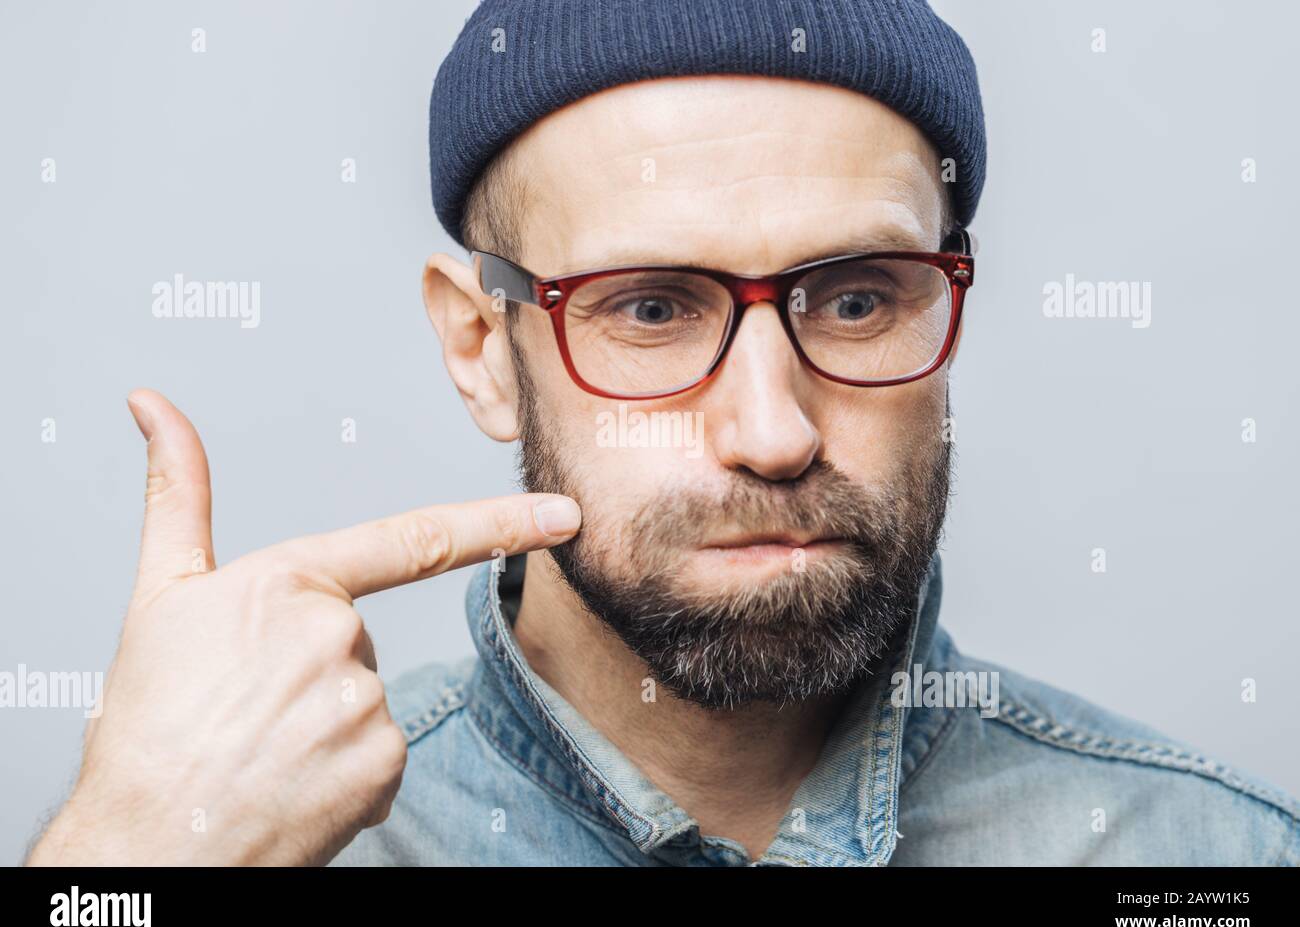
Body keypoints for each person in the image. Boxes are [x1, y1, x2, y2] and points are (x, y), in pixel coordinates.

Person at [27, 0, 1298, 867]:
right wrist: (127, 858)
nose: (770, 430)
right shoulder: (254, 850)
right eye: (647, 307)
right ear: (483, 350)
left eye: (855, 298)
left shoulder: (1196, 858)